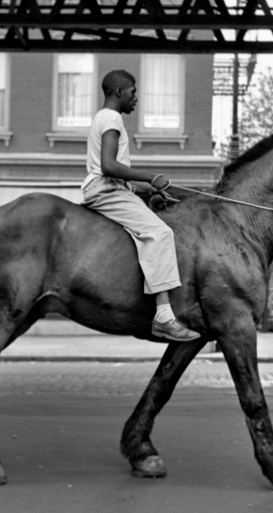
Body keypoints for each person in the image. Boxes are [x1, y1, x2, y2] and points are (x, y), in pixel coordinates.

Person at [81, 69, 200, 342]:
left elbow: (114, 173)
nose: (137, 99)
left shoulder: (103, 117)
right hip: (106, 190)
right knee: (160, 233)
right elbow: (109, 166)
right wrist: (150, 176)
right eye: (134, 93)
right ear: (119, 91)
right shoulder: (111, 118)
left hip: (109, 188)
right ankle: (164, 317)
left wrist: (148, 189)